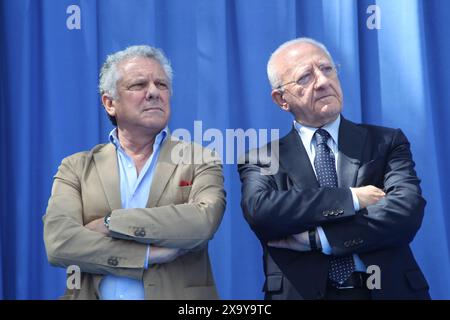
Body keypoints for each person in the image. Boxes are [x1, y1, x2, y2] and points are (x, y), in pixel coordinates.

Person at [238, 38, 430, 300]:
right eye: (305, 76)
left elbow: (405, 211)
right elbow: (262, 210)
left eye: (327, 69)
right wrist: (351, 198)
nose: (322, 81)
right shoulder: (262, 157)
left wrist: (320, 239)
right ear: (282, 99)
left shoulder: (386, 142)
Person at [43, 45, 226, 300]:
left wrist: (111, 223)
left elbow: (201, 223)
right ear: (109, 103)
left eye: (161, 85)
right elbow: (59, 243)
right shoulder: (75, 167)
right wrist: (146, 255)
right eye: (139, 85)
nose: (153, 92)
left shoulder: (200, 159)